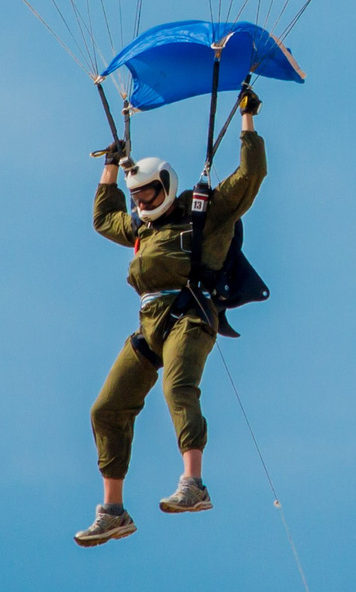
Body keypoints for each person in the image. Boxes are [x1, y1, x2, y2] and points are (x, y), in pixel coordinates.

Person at [72, 84, 266, 547]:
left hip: (190, 315)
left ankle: (193, 484)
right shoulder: (140, 227)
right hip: (148, 325)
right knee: (106, 409)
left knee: (177, 386)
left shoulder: (203, 216)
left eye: (149, 192)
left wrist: (247, 121)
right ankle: (113, 511)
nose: (140, 201)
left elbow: (250, 177)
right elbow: (104, 219)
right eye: (136, 195)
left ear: (168, 186)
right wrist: (110, 166)